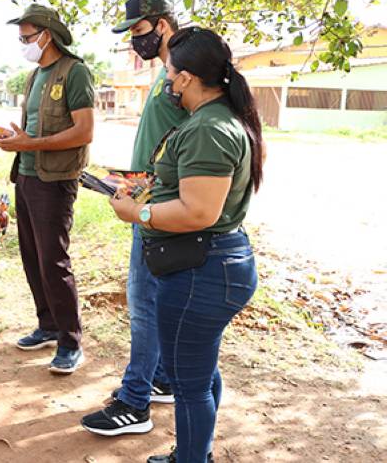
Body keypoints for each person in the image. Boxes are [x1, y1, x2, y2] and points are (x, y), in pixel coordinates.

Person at [108, 26, 263, 462]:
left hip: (202, 269)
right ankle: (197, 454)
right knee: (200, 368)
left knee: (188, 382)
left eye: (171, 73)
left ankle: (191, 458)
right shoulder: (216, 122)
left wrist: (138, 213)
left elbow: (199, 212)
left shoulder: (209, 128)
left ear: (188, 79)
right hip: (212, 264)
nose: (167, 82)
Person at [82, 0, 187, 436]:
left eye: (139, 32)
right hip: (147, 194)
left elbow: (192, 144)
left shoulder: (185, 74)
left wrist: (150, 192)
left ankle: (134, 402)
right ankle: (159, 379)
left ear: (163, 24)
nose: (134, 43)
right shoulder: (168, 71)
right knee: (153, 304)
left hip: (160, 208)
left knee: (144, 305)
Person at [0, 4, 94, 374]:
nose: (23, 44)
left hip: (56, 180)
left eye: (27, 37)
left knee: (54, 259)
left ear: (47, 35)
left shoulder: (75, 72)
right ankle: (48, 325)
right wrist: (15, 140)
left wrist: (30, 144)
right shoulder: (34, 76)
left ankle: (71, 341)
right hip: (28, 176)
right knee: (32, 256)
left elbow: (84, 132)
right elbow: (32, 131)